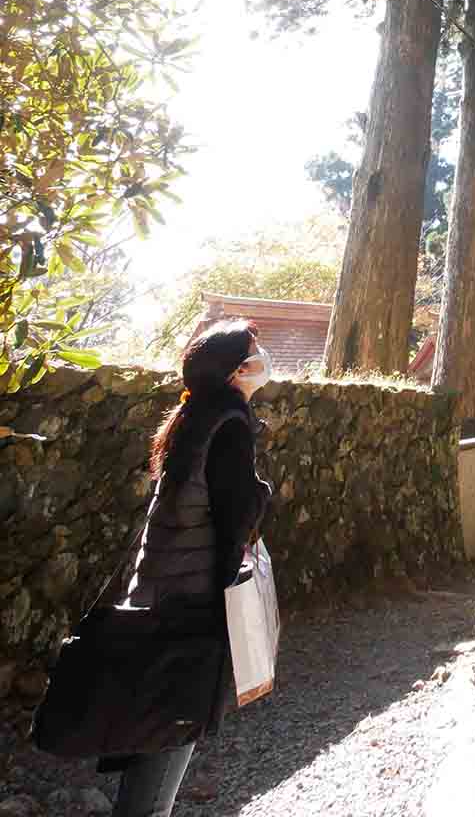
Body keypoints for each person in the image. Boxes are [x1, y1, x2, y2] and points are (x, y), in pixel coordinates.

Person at [104, 318, 273, 817]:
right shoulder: (230, 424)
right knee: (170, 733)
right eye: (254, 349)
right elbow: (235, 512)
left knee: (148, 732)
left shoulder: (191, 417)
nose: (263, 355)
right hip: (191, 603)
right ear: (236, 370)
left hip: (156, 591)